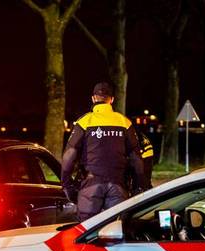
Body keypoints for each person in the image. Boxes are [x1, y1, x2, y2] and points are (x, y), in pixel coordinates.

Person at [61, 82, 146, 220]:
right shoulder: (124, 122)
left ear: (94, 98)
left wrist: (66, 184)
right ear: (111, 100)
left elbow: (69, 155)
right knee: (116, 228)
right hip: (118, 184)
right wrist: (139, 186)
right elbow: (136, 158)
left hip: (91, 184)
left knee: (86, 230)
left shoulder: (85, 121)